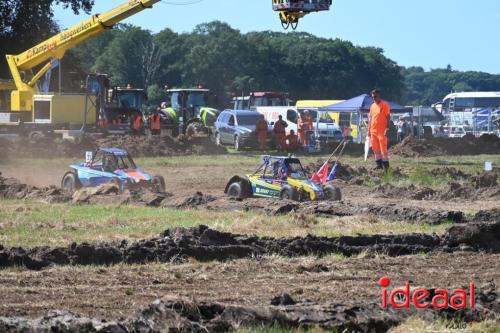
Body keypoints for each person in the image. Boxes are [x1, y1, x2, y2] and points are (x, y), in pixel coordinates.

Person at [368, 89, 391, 171]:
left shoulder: (385, 105)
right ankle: (379, 165)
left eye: (375, 96)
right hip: (373, 131)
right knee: (375, 149)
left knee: (383, 150)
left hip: (382, 132)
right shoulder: (372, 106)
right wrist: (368, 130)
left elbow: (388, 116)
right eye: (372, 97)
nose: (374, 98)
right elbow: (370, 119)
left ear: (379, 96)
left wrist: (387, 128)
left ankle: (386, 167)